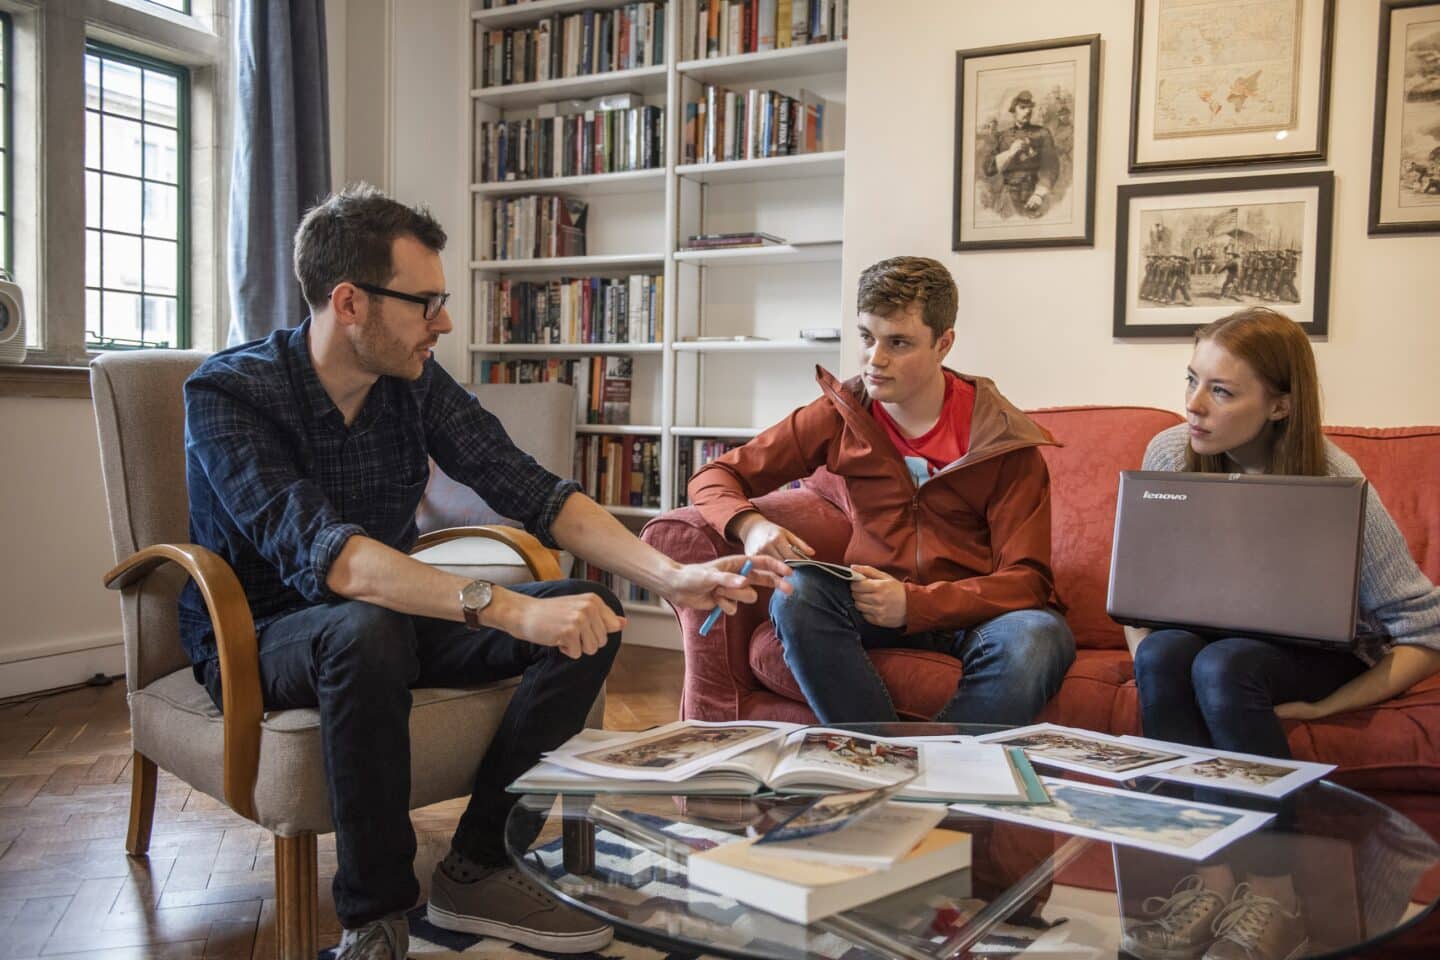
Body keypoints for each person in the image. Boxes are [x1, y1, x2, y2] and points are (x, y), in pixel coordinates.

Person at [181, 185, 790, 960]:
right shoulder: (231, 394)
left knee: (586, 611)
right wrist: (506, 609)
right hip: (260, 634)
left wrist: (669, 575)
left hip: (389, 616)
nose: (445, 322)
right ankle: (376, 918)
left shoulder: (413, 382)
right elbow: (334, 558)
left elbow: (530, 489)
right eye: (425, 301)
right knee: (365, 631)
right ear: (350, 302)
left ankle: (477, 865)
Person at [1122, 307, 1440, 960]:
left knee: (1222, 667)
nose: (1193, 406)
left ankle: (1276, 895)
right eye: (1191, 380)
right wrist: (1154, 661)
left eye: (1221, 391)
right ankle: (1208, 878)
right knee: (1166, 650)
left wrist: (1325, 707)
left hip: (1328, 653)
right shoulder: (1168, 455)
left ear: (1280, 405)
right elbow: (1140, 603)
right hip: (1217, 643)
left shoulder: (1334, 479)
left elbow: (1426, 629)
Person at [687, 256, 1075, 726]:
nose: (876, 359)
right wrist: (750, 526)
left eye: (899, 343)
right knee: (798, 593)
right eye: (866, 337)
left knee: (1039, 636)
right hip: (867, 599)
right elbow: (714, 477)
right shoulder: (842, 413)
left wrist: (915, 604)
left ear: (943, 343)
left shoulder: (1001, 439)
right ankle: (879, 756)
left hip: (973, 615)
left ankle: (944, 769)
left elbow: (1027, 580)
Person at [982, 90, 1060, 217]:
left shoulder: (1042, 133)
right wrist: (1010, 153)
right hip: (1006, 197)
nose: (1028, 111)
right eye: (1022, 108)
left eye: (1030, 108)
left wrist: (1039, 194)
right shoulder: (1003, 136)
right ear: (1014, 110)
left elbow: (1051, 167)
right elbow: (987, 168)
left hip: (1032, 194)